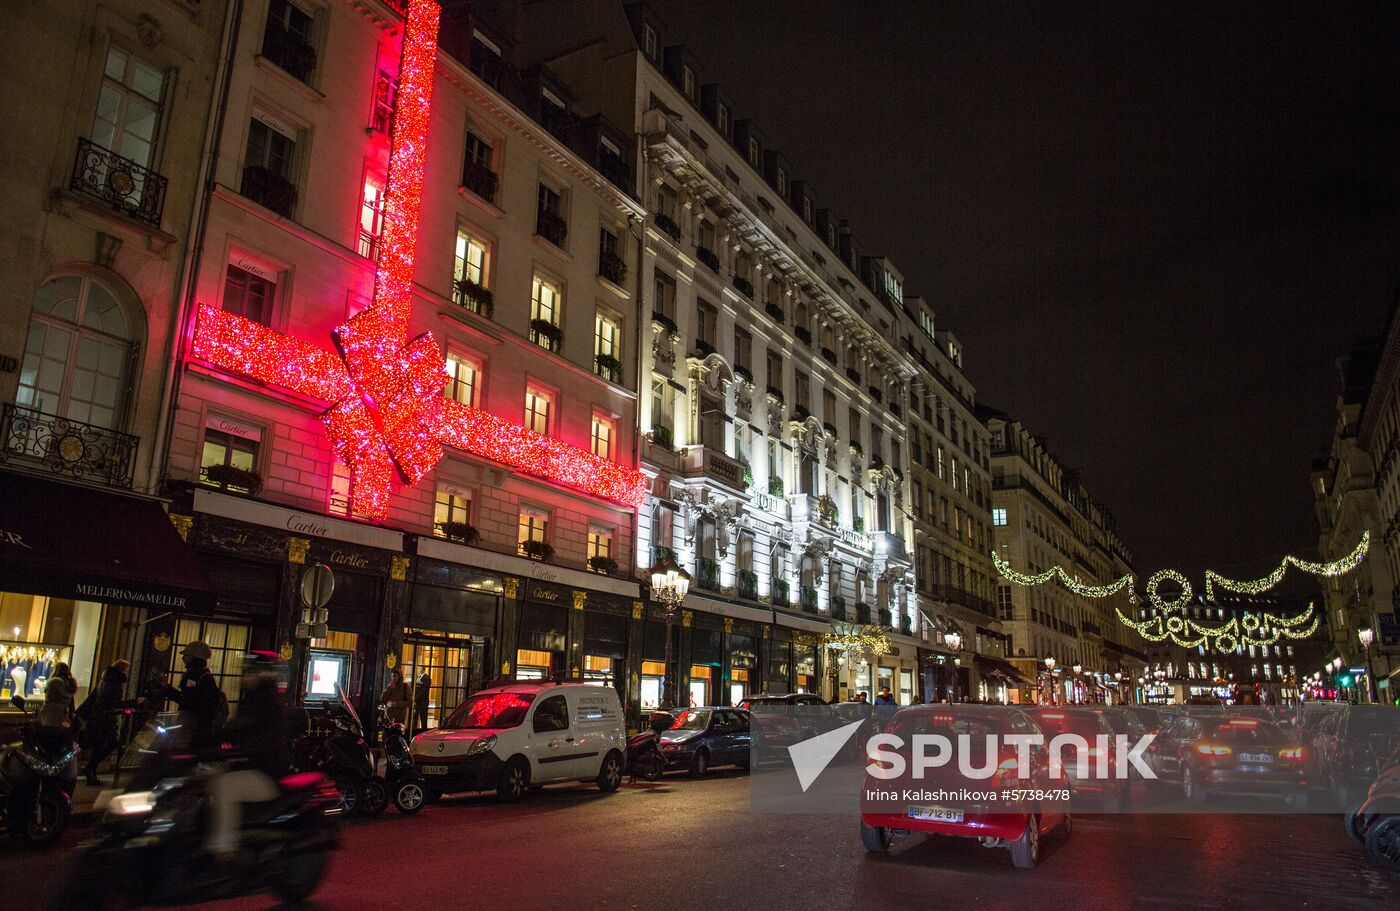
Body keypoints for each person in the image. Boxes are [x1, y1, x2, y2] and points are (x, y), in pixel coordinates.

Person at [207, 652, 290, 862]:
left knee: (224, 786)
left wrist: (237, 752)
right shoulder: (252, 700)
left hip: (265, 771)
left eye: (251, 673)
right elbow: (235, 730)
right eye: (246, 673)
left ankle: (224, 850)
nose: (246, 677)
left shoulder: (266, 703)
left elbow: (255, 737)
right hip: (250, 765)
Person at [79, 658, 130, 785]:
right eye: (126, 670)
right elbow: (114, 702)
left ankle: (91, 772)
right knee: (111, 743)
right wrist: (134, 702)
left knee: (100, 744)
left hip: (97, 717)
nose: (127, 673)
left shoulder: (106, 679)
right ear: (121, 670)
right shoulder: (114, 682)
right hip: (104, 719)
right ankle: (91, 767)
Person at [166, 641, 223, 744]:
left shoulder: (205, 678)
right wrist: (166, 689)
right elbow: (185, 700)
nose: (183, 658)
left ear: (195, 657)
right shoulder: (193, 675)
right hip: (188, 727)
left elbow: (201, 707)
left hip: (195, 731)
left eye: (186, 655)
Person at [36, 662, 77, 728]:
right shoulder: (69, 684)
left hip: (50, 716)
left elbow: (49, 700)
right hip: (64, 718)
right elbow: (71, 705)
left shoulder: (53, 682)